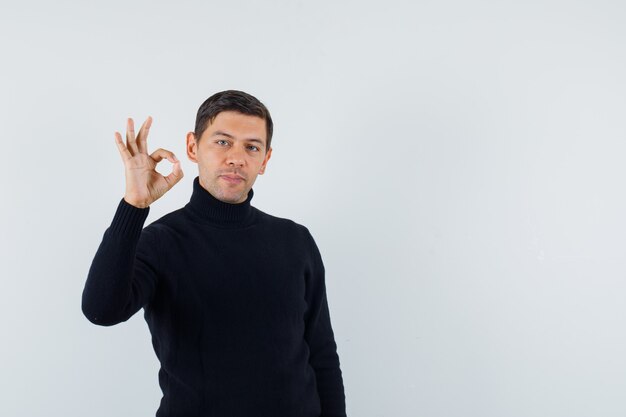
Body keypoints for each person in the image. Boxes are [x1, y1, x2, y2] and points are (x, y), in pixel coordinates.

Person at [81, 90, 347, 417]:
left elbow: (321, 354)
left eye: (251, 147)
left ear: (264, 160)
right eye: (223, 142)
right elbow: (101, 310)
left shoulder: (295, 240)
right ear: (193, 147)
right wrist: (134, 206)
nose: (236, 158)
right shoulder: (161, 241)